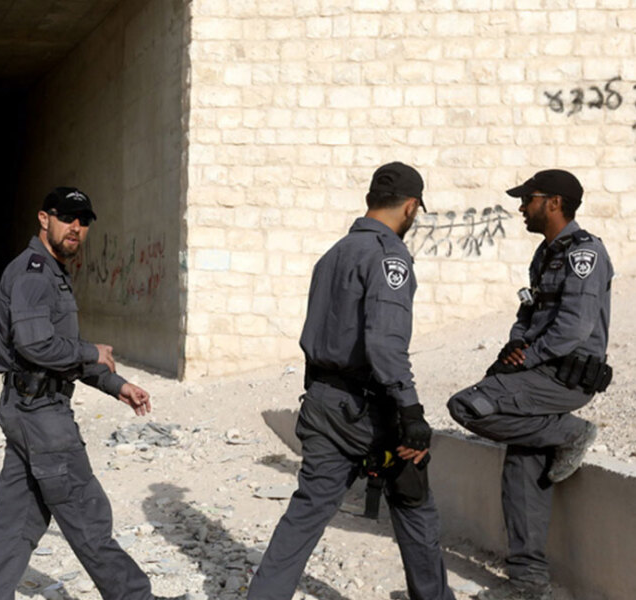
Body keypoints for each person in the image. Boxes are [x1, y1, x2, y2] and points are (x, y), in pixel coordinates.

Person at [248, 163, 455, 600]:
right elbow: (384, 343)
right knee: (415, 503)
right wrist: (411, 410)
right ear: (411, 206)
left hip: (322, 401)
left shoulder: (334, 254)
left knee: (305, 515)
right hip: (369, 406)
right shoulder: (389, 255)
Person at [0, 187, 179, 600]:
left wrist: (115, 384)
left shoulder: (52, 272)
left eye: (83, 221)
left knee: (14, 524)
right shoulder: (34, 273)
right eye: (67, 217)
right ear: (43, 218)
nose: (76, 227)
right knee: (87, 516)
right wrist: (93, 351)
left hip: (26, 410)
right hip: (43, 417)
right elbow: (36, 346)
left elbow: (57, 352)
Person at [447, 170, 612, 600]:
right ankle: (528, 580)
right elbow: (529, 315)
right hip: (537, 372)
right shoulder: (545, 255)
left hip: (564, 376)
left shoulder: (584, 254)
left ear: (554, 203)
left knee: (467, 405)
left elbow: (575, 328)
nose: (522, 206)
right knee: (523, 461)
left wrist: (530, 358)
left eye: (529, 199)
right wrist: (515, 347)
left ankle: (573, 433)